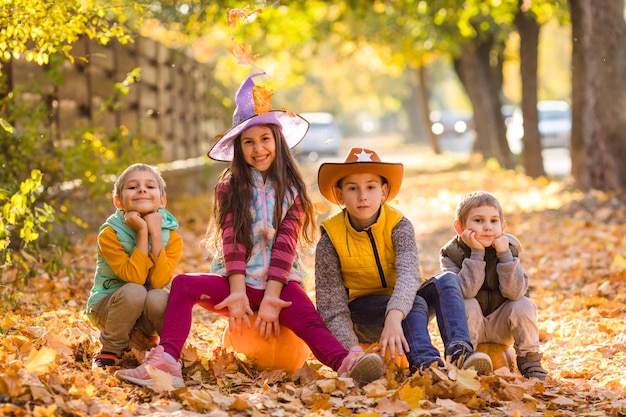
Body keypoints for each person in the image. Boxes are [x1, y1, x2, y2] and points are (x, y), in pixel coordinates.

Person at [116, 73, 384, 388]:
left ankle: (346, 363)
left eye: (265, 139)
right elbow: (233, 242)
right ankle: (167, 362)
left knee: (309, 318)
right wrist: (238, 292)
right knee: (184, 285)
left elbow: (285, 245)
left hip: (279, 284)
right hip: (235, 283)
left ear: (278, 141)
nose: (258, 149)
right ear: (239, 148)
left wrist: (271, 298)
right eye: (248, 142)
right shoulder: (230, 187)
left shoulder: (293, 190)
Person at [314, 148, 493, 376]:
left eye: (371, 187)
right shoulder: (330, 239)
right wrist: (353, 351)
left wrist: (394, 314)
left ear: (383, 191)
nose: (362, 196)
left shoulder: (399, 225)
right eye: (352, 188)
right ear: (340, 195)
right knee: (415, 304)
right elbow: (332, 306)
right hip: (364, 314)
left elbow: (409, 275)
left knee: (447, 280)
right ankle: (427, 366)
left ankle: (460, 353)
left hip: (401, 307)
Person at [439, 190, 548, 379]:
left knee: (523, 304)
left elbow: (515, 293)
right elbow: (465, 291)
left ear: (502, 226)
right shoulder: (451, 254)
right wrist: (476, 254)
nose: (488, 227)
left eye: (494, 221)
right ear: (460, 227)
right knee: (467, 302)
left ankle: (530, 361)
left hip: (501, 324)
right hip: (470, 328)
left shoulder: (509, 250)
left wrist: (504, 255)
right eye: (479, 221)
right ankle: (464, 358)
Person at [87, 163, 183, 369]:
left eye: (150, 186)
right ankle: (109, 350)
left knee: (159, 295)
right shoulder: (110, 234)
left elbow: (159, 282)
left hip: (146, 312)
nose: (142, 190)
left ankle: (167, 353)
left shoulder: (172, 239)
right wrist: (142, 233)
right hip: (109, 308)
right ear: (118, 201)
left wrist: (156, 234)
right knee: (134, 290)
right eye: (132, 187)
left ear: (162, 200)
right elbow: (135, 278)